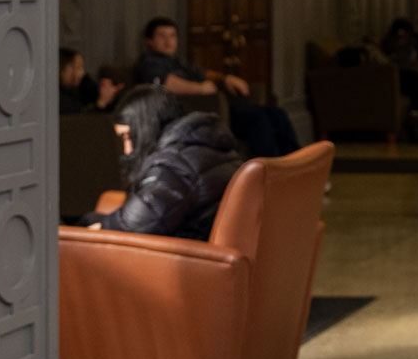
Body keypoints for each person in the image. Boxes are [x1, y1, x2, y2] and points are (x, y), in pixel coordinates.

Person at [82, 85, 242, 241]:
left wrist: (99, 228)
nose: (127, 149)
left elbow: (137, 224)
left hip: (180, 255)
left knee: (84, 228)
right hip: (198, 244)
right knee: (90, 219)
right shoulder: (206, 146)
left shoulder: (173, 164)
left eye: (128, 136)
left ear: (145, 128)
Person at [134, 17, 301, 157]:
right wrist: (200, 88)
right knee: (258, 119)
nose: (168, 41)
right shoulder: (149, 63)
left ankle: (297, 165)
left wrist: (225, 78)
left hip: (217, 106)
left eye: (172, 36)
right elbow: (167, 83)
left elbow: (202, 72)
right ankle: (271, 172)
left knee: (277, 114)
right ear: (150, 41)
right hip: (198, 114)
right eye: (162, 36)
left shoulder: (177, 61)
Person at [58, 47, 123, 114]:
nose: (82, 73)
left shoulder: (84, 84)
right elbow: (79, 118)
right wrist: (101, 104)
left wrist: (109, 94)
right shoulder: (60, 99)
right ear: (62, 70)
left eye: (81, 67)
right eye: (77, 68)